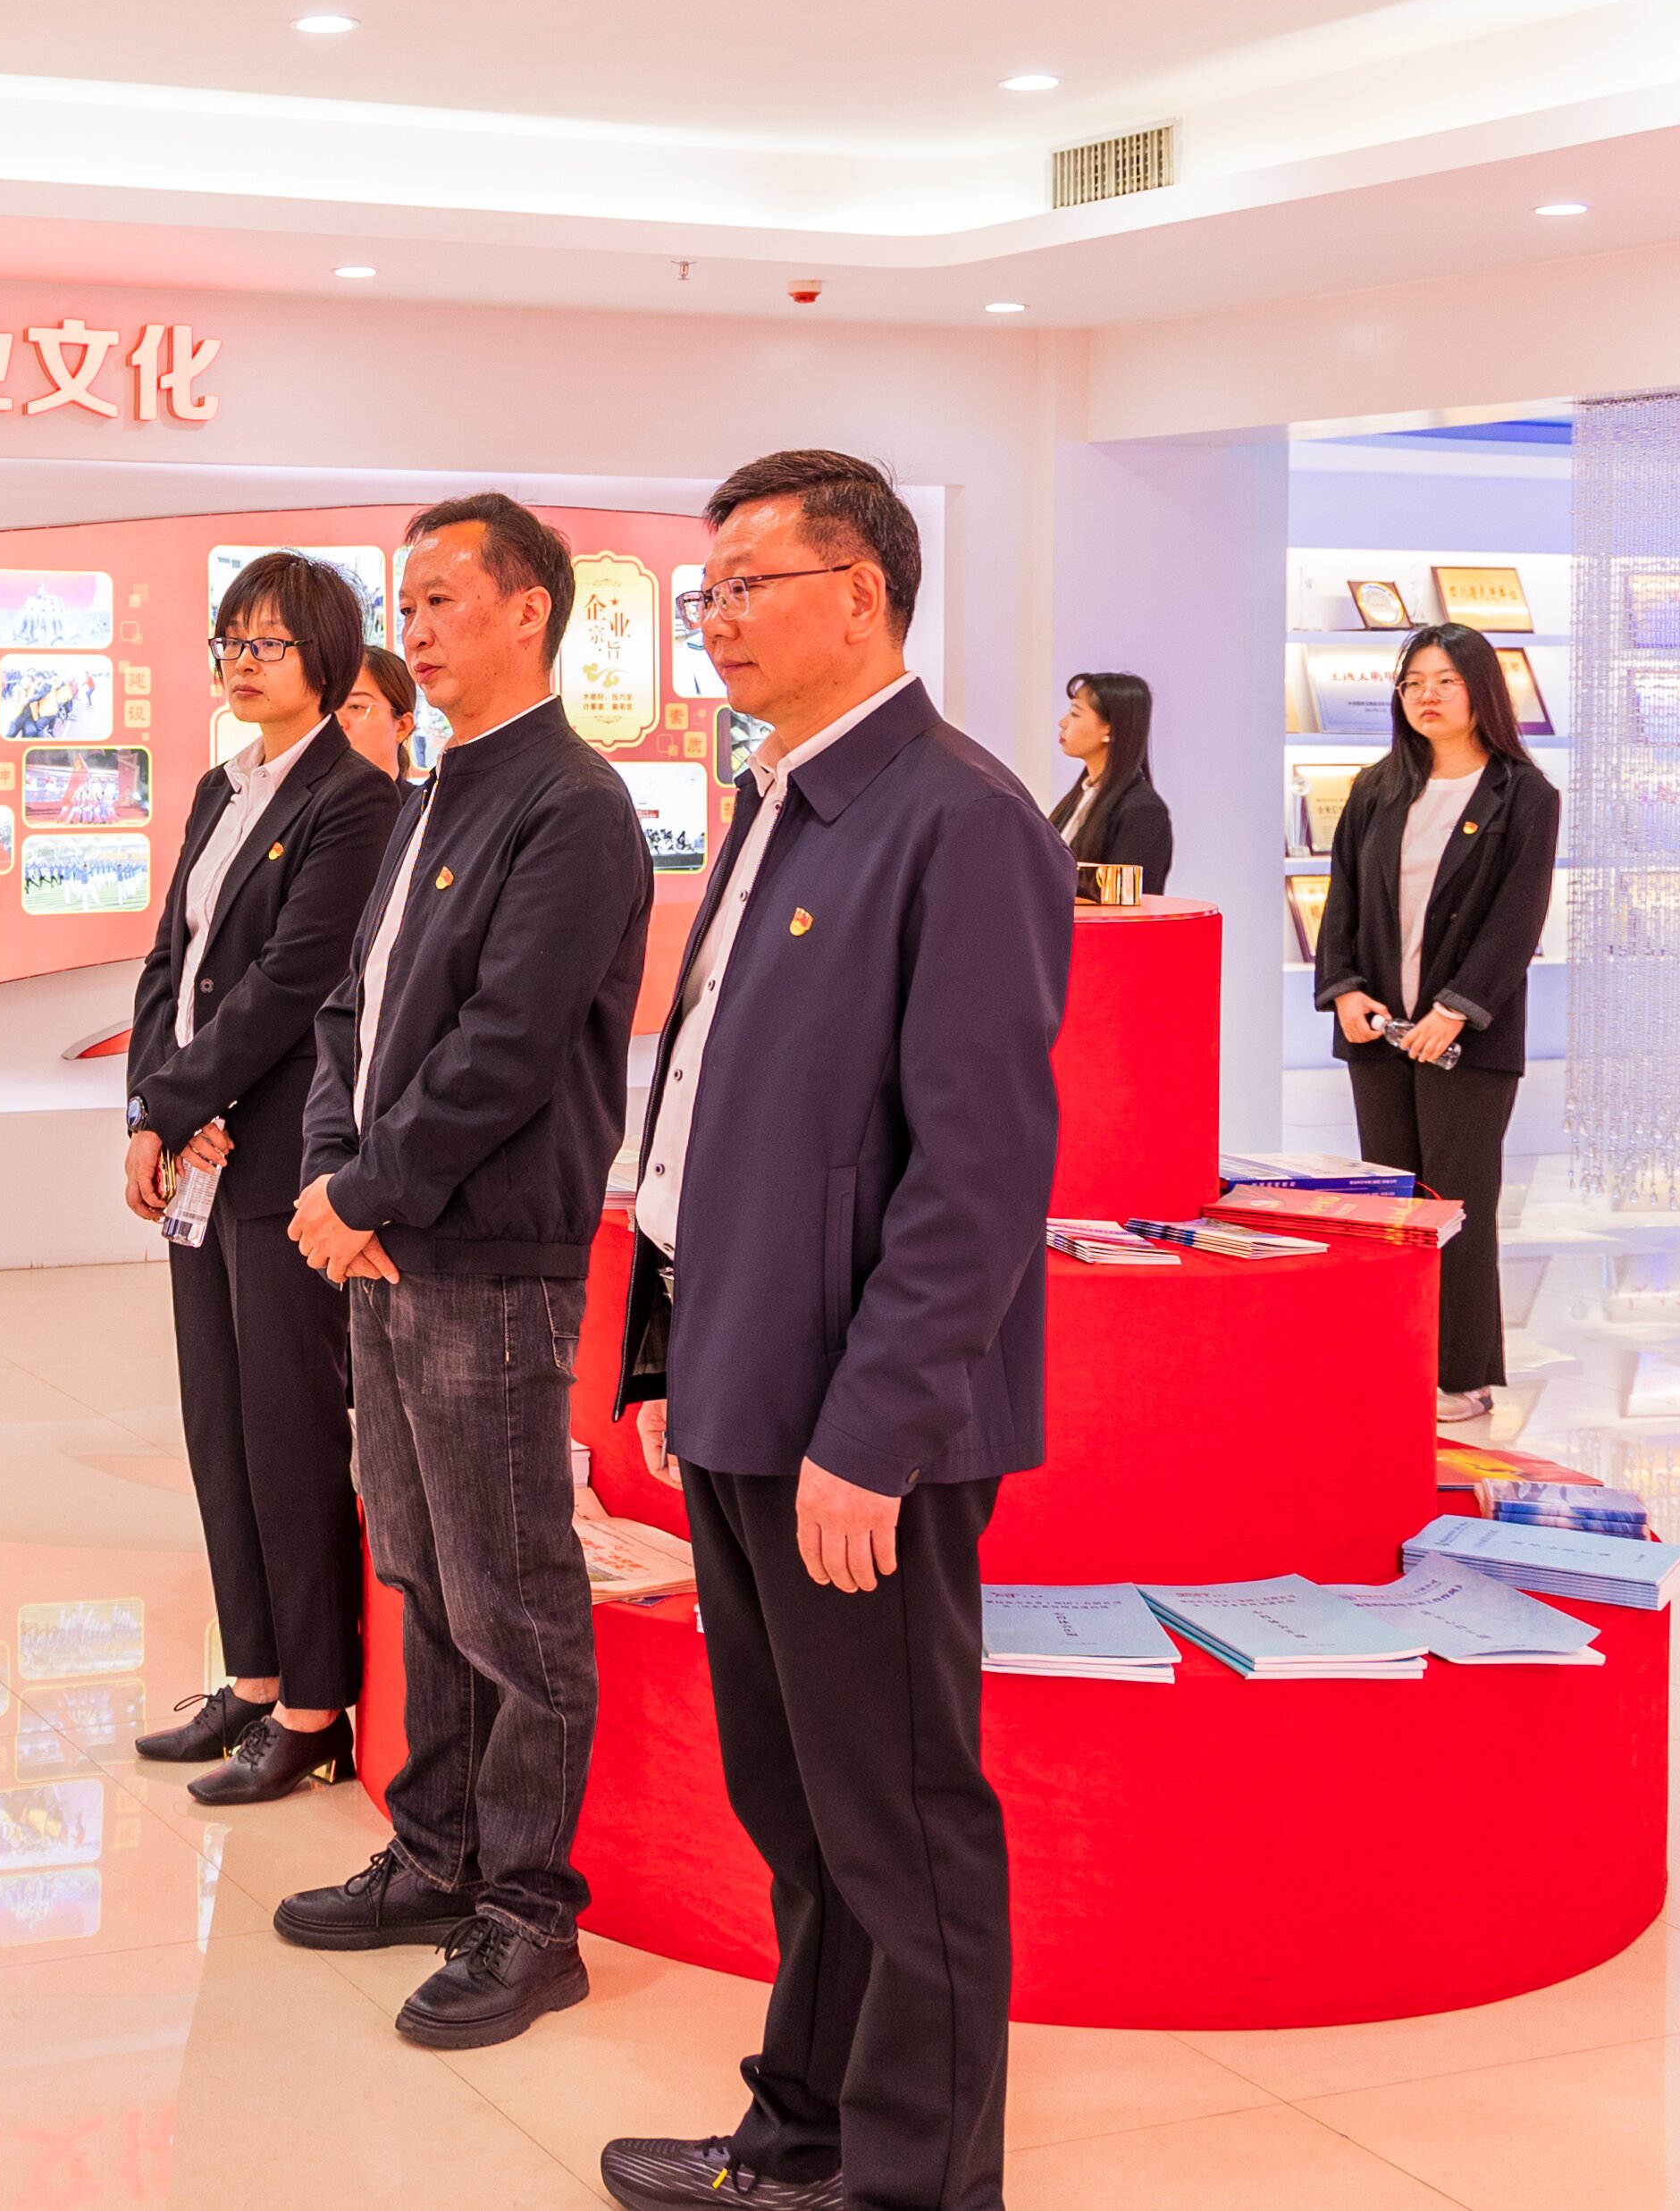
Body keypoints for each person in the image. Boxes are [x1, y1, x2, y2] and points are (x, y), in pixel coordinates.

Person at [605, 450, 1068, 2211]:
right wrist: (664, 1350)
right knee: (797, 1807)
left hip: (851, 1429)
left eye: (747, 586)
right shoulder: (782, 796)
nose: (714, 621)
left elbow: (975, 1174)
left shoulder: (958, 819)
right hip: (737, 1386)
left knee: (898, 1823)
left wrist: (872, 1433)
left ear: (860, 594)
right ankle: (799, 2133)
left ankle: (916, 2183)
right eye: (705, 592)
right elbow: (709, 1107)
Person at [281, 492, 652, 2049]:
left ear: (528, 611)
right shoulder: (436, 788)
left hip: (487, 1254)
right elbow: (349, 1013)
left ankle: (529, 1911)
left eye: (442, 599)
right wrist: (329, 1174)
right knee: (424, 1568)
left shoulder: (572, 805)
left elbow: (506, 1049)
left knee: (511, 1591)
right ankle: (436, 1857)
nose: (415, 629)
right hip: (387, 1241)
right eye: (408, 603)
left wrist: (364, 1189)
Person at [123, 553, 400, 1802]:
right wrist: (153, 1106)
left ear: (327, 657)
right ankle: (251, 1675)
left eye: (268, 643)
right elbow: (170, 962)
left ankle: (314, 1705)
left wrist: (191, 1105)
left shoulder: (354, 800)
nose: (241, 662)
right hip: (198, 1151)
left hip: (279, 1154)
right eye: (230, 641)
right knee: (218, 1422)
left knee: (288, 1430)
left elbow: (296, 981)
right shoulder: (219, 784)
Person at [1312, 623, 1561, 1426]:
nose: (1426, 694)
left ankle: (1460, 1371)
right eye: (1413, 680)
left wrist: (1455, 1008)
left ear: (1482, 690)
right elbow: (1343, 900)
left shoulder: (1525, 795)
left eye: (1446, 680)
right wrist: (1344, 990)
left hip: (1469, 1039)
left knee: (1456, 1200)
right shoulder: (1376, 788)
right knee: (1392, 1201)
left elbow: (1517, 920)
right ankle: (1396, 1356)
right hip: (1379, 1031)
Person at [1043, 668, 1172, 891]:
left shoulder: (1143, 810)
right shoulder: (1081, 796)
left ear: (1110, 730)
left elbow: (1129, 899)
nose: (1063, 722)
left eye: (1075, 713)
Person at [339, 644, 416, 779]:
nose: (337, 721)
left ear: (402, 727)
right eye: (326, 707)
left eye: (355, 707)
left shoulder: (433, 794)